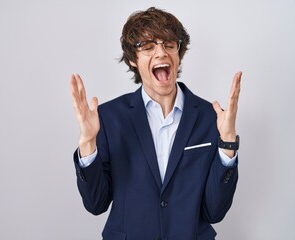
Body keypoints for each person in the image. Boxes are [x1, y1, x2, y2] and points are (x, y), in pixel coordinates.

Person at [70, 7, 241, 240]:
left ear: (178, 53)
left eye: (169, 44)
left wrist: (228, 143)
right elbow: (96, 204)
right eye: (148, 47)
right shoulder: (108, 118)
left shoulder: (211, 118)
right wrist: (89, 142)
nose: (161, 53)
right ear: (132, 59)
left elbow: (214, 211)